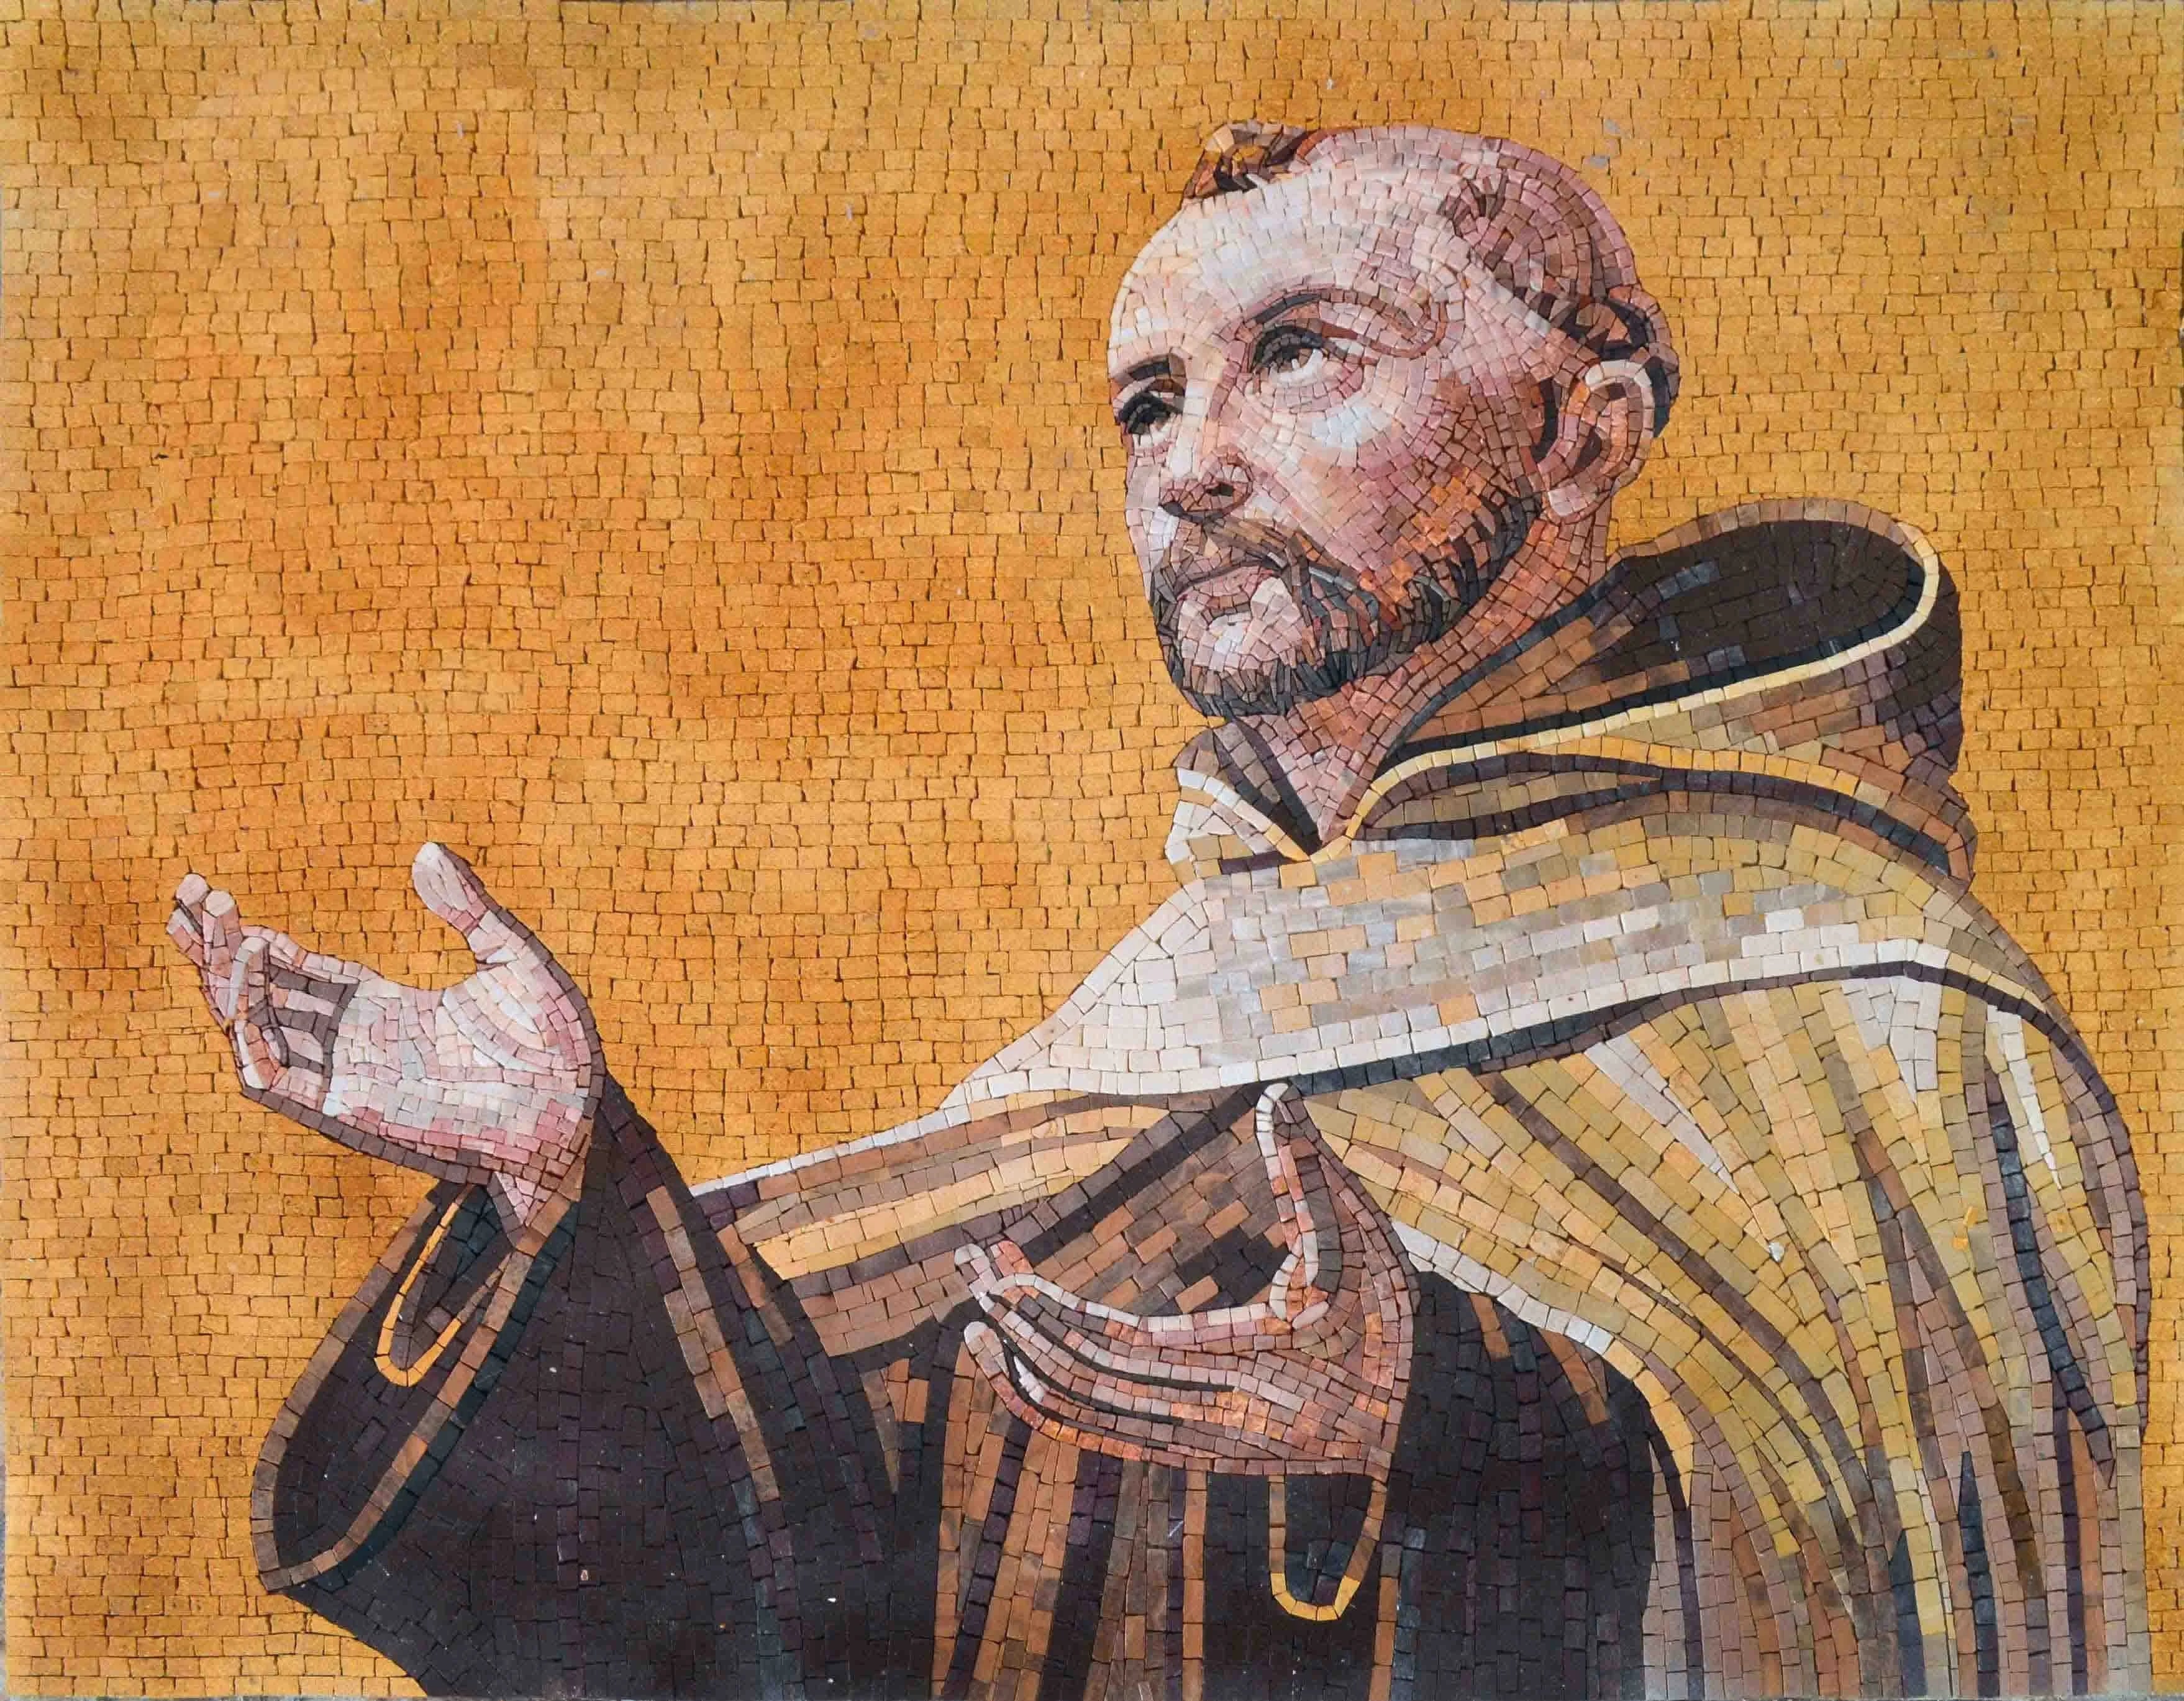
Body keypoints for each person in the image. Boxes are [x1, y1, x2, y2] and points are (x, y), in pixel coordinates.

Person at [169, 124, 2148, 1701]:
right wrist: (561, 1192)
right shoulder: (1179, 1001)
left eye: (1300, 354)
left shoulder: (1867, 1002)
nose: (1190, 465)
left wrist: (1451, 1419)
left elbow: (1917, 1586)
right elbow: (806, 1602)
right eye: (1145, 401)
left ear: (1580, 433)